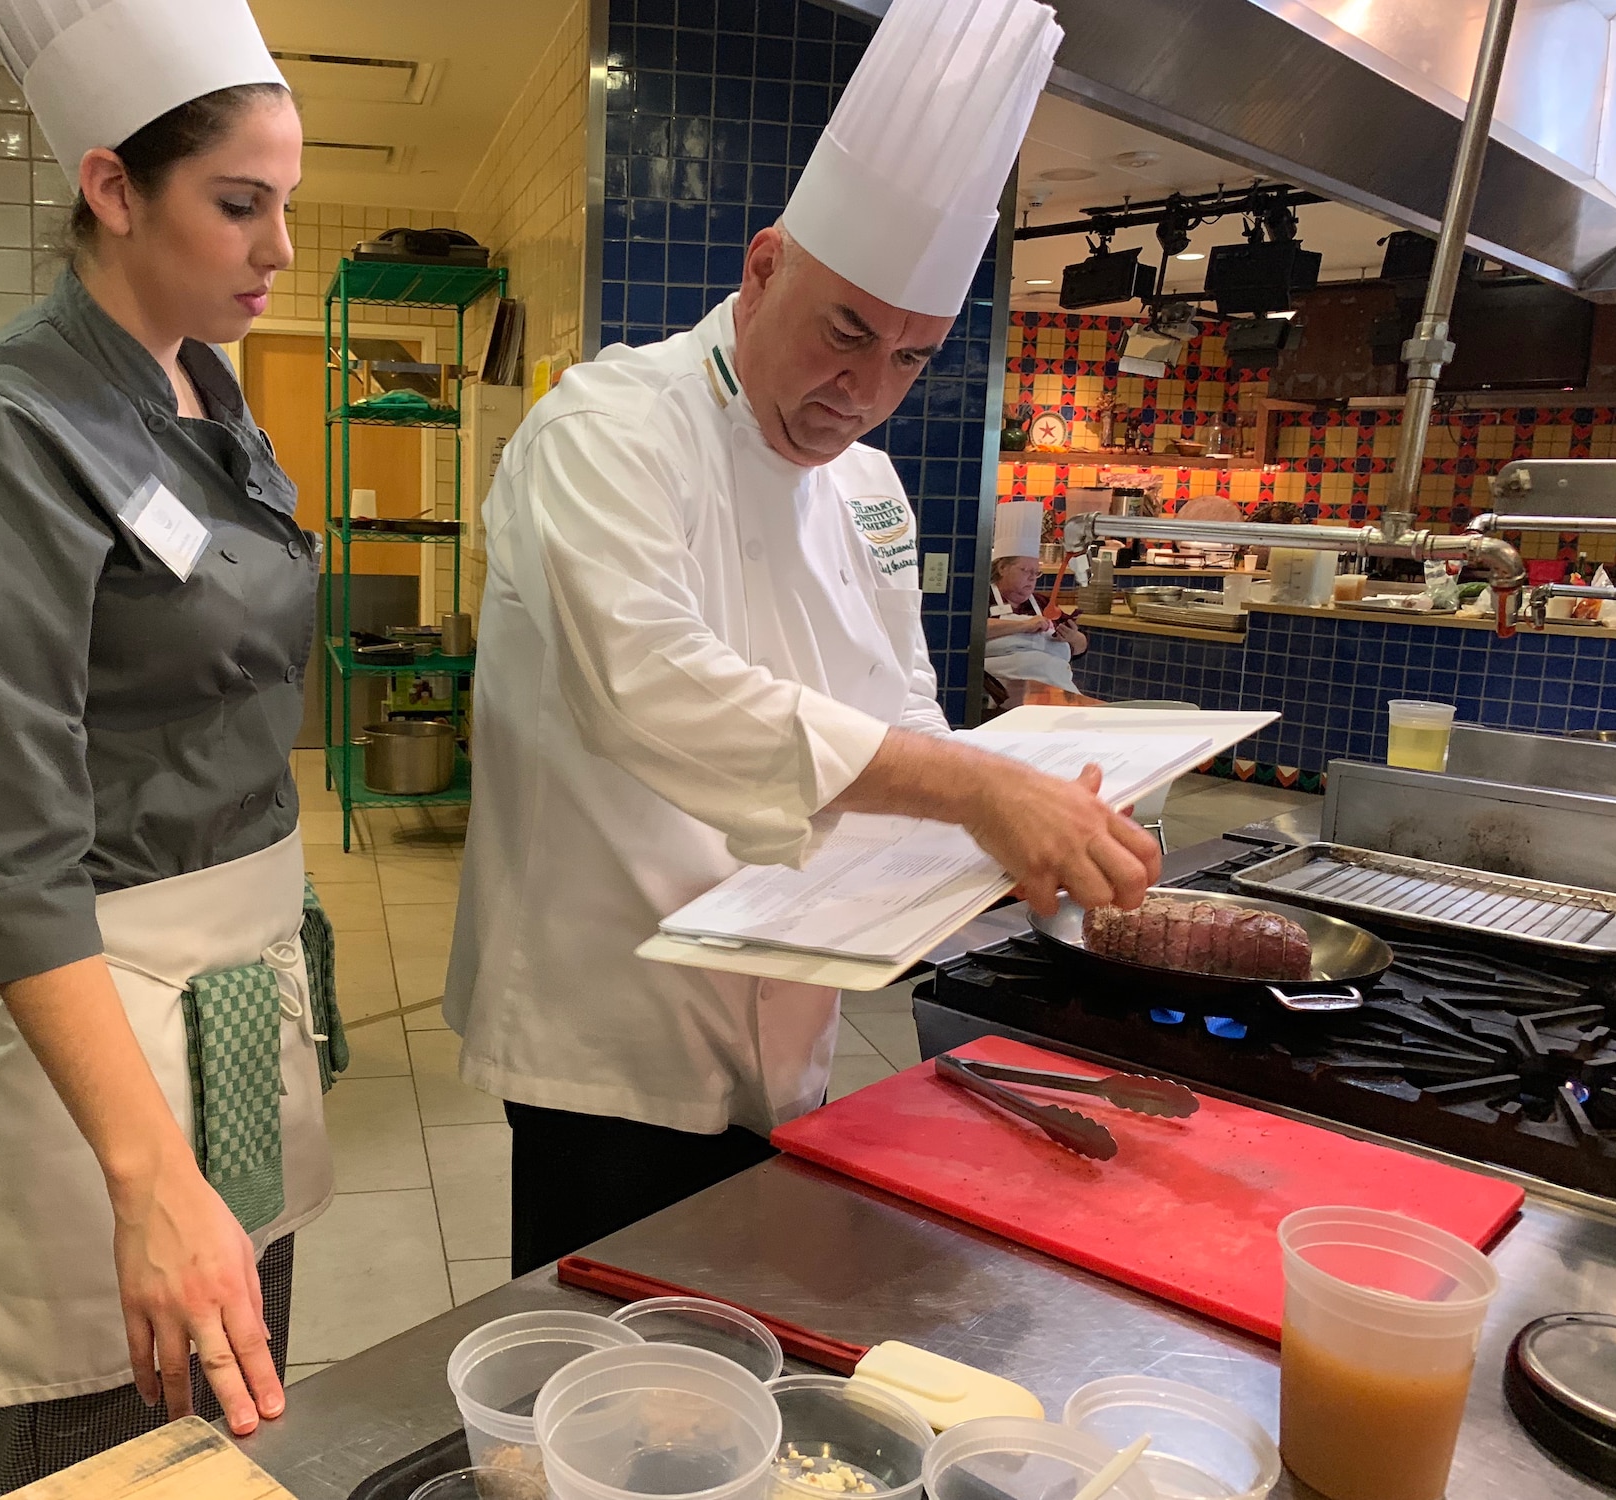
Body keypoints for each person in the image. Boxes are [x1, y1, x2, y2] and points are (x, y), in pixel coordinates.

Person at [445, 0, 1161, 1278]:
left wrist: (1021, 811)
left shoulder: (866, 489)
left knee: (750, 1353)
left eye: (908, 357)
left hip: (793, 1021)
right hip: (608, 1022)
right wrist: (975, 788)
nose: (864, 388)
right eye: (843, 331)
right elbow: (655, 693)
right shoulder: (605, 429)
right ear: (763, 267)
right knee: (606, 1387)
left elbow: (900, 723)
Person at [0, 1, 330, 1492]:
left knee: (222, 1411)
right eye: (237, 206)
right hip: (100, 1024)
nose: (278, 251)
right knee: (95, 1430)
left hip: (236, 991)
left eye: (285, 209)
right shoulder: (4, 432)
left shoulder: (205, 386)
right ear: (113, 188)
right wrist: (145, 1171)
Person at [986, 500, 1088, 695]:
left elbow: (1081, 647)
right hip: (997, 688)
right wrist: (1023, 626)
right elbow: (971, 631)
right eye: (1026, 571)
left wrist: (1073, 637)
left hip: (1046, 689)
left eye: (1036, 573)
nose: (1032, 578)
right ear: (1002, 568)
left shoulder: (1043, 604)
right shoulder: (982, 599)